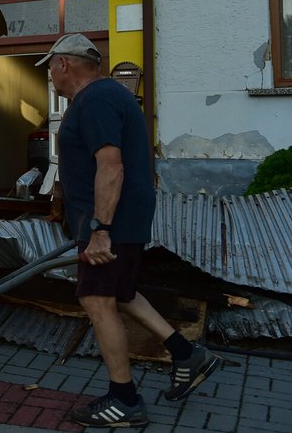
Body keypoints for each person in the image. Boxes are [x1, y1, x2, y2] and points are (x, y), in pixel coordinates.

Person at [37, 33, 223, 428]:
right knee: (120, 293)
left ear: (63, 64)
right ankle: (187, 354)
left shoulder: (96, 99)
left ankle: (125, 399)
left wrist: (100, 229)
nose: (50, 76)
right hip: (119, 219)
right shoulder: (103, 97)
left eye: (50, 67)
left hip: (112, 223)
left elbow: (111, 166)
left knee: (96, 299)